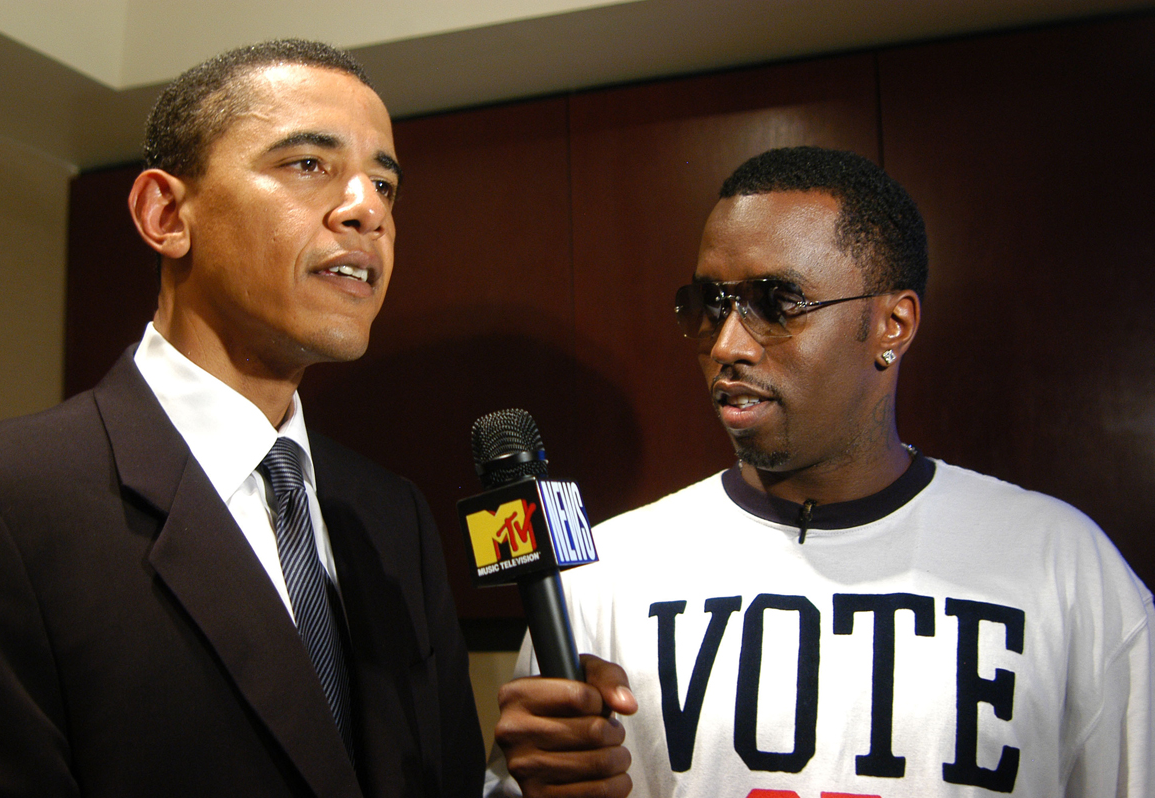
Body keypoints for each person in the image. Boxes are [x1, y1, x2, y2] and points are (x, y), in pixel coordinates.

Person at [485, 146, 1154, 798]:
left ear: (892, 325)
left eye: (777, 304)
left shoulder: (1065, 570)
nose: (727, 345)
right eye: (709, 304)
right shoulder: (603, 578)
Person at [0, 40, 483, 797]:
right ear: (165, 213)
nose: (368, 210)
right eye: (309, 165)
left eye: (385, 185)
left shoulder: (391, 516)